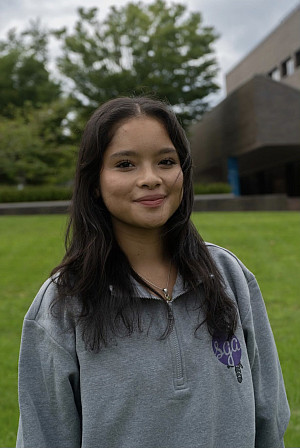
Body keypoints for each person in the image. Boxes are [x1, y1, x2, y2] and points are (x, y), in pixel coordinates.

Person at [16, 96, 290, 448]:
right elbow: (44, 436)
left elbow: (268, 418)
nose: (150, 179)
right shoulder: (63, 302)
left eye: (165, 161)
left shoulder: (229, 276)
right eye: (125, 164)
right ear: (94, 182)